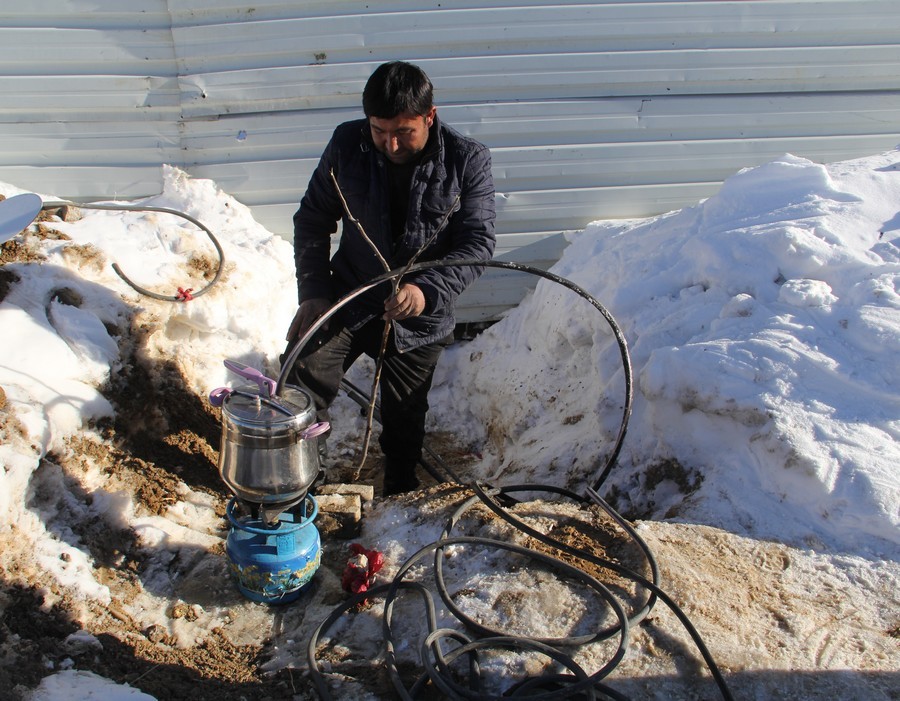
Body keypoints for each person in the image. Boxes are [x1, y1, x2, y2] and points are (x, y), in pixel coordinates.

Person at [282, 61, 496, 496]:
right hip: (349, 296)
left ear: (429, 116)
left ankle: (399, 492)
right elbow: (312, 219)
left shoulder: (467, 160)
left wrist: (426, 291)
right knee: (300, 382)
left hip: (418, 316)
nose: (390, 143)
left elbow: (477, 244)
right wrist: (316, 293)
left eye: (403, 132)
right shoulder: (347, 144)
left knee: (404, 416)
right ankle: (297, 485)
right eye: (380, 130)